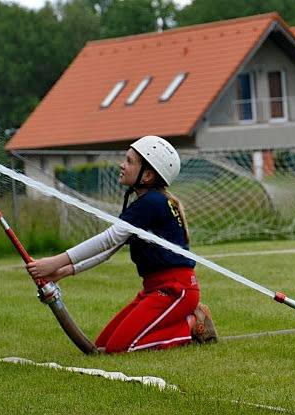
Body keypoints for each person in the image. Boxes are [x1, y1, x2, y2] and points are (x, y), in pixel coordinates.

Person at [26, 136, 217, 353]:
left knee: (120, 348)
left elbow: (108, 239)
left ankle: (191, 325)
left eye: (129, 161)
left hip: (175, 290)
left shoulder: (152, 203)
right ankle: (181, 323)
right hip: (154, 288)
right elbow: (109, 250)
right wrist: (65, 271)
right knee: (103, 346)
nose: (122, 165)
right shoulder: (144, 204)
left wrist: (54, 261)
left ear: (147, 175)